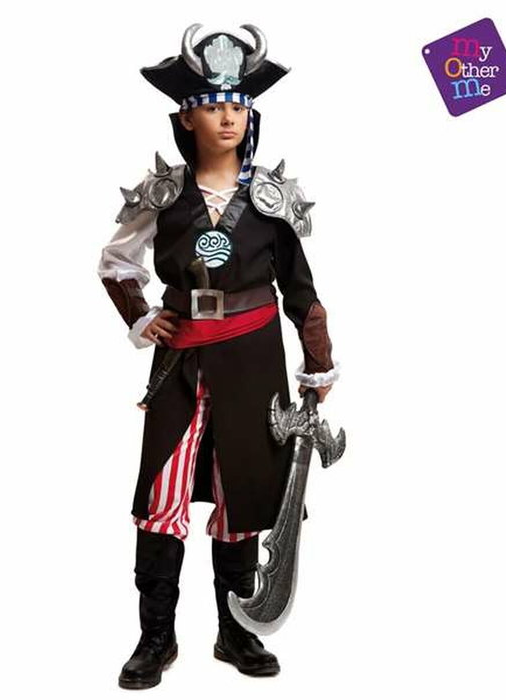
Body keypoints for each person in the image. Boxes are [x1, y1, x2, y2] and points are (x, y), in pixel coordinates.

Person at [97, 23, 340, 689]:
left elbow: (301, 292)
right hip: (180, 360)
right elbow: (116, 264)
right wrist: (142, 315)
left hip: (255, 361)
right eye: (213, 106)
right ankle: (155, 638)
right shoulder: (163, 194)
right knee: (162, 493)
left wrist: (318, 364)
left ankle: (236, 633)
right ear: (187, 117)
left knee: (245, 491)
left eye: (238, 105)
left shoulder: (270, 200)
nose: (228, 117)